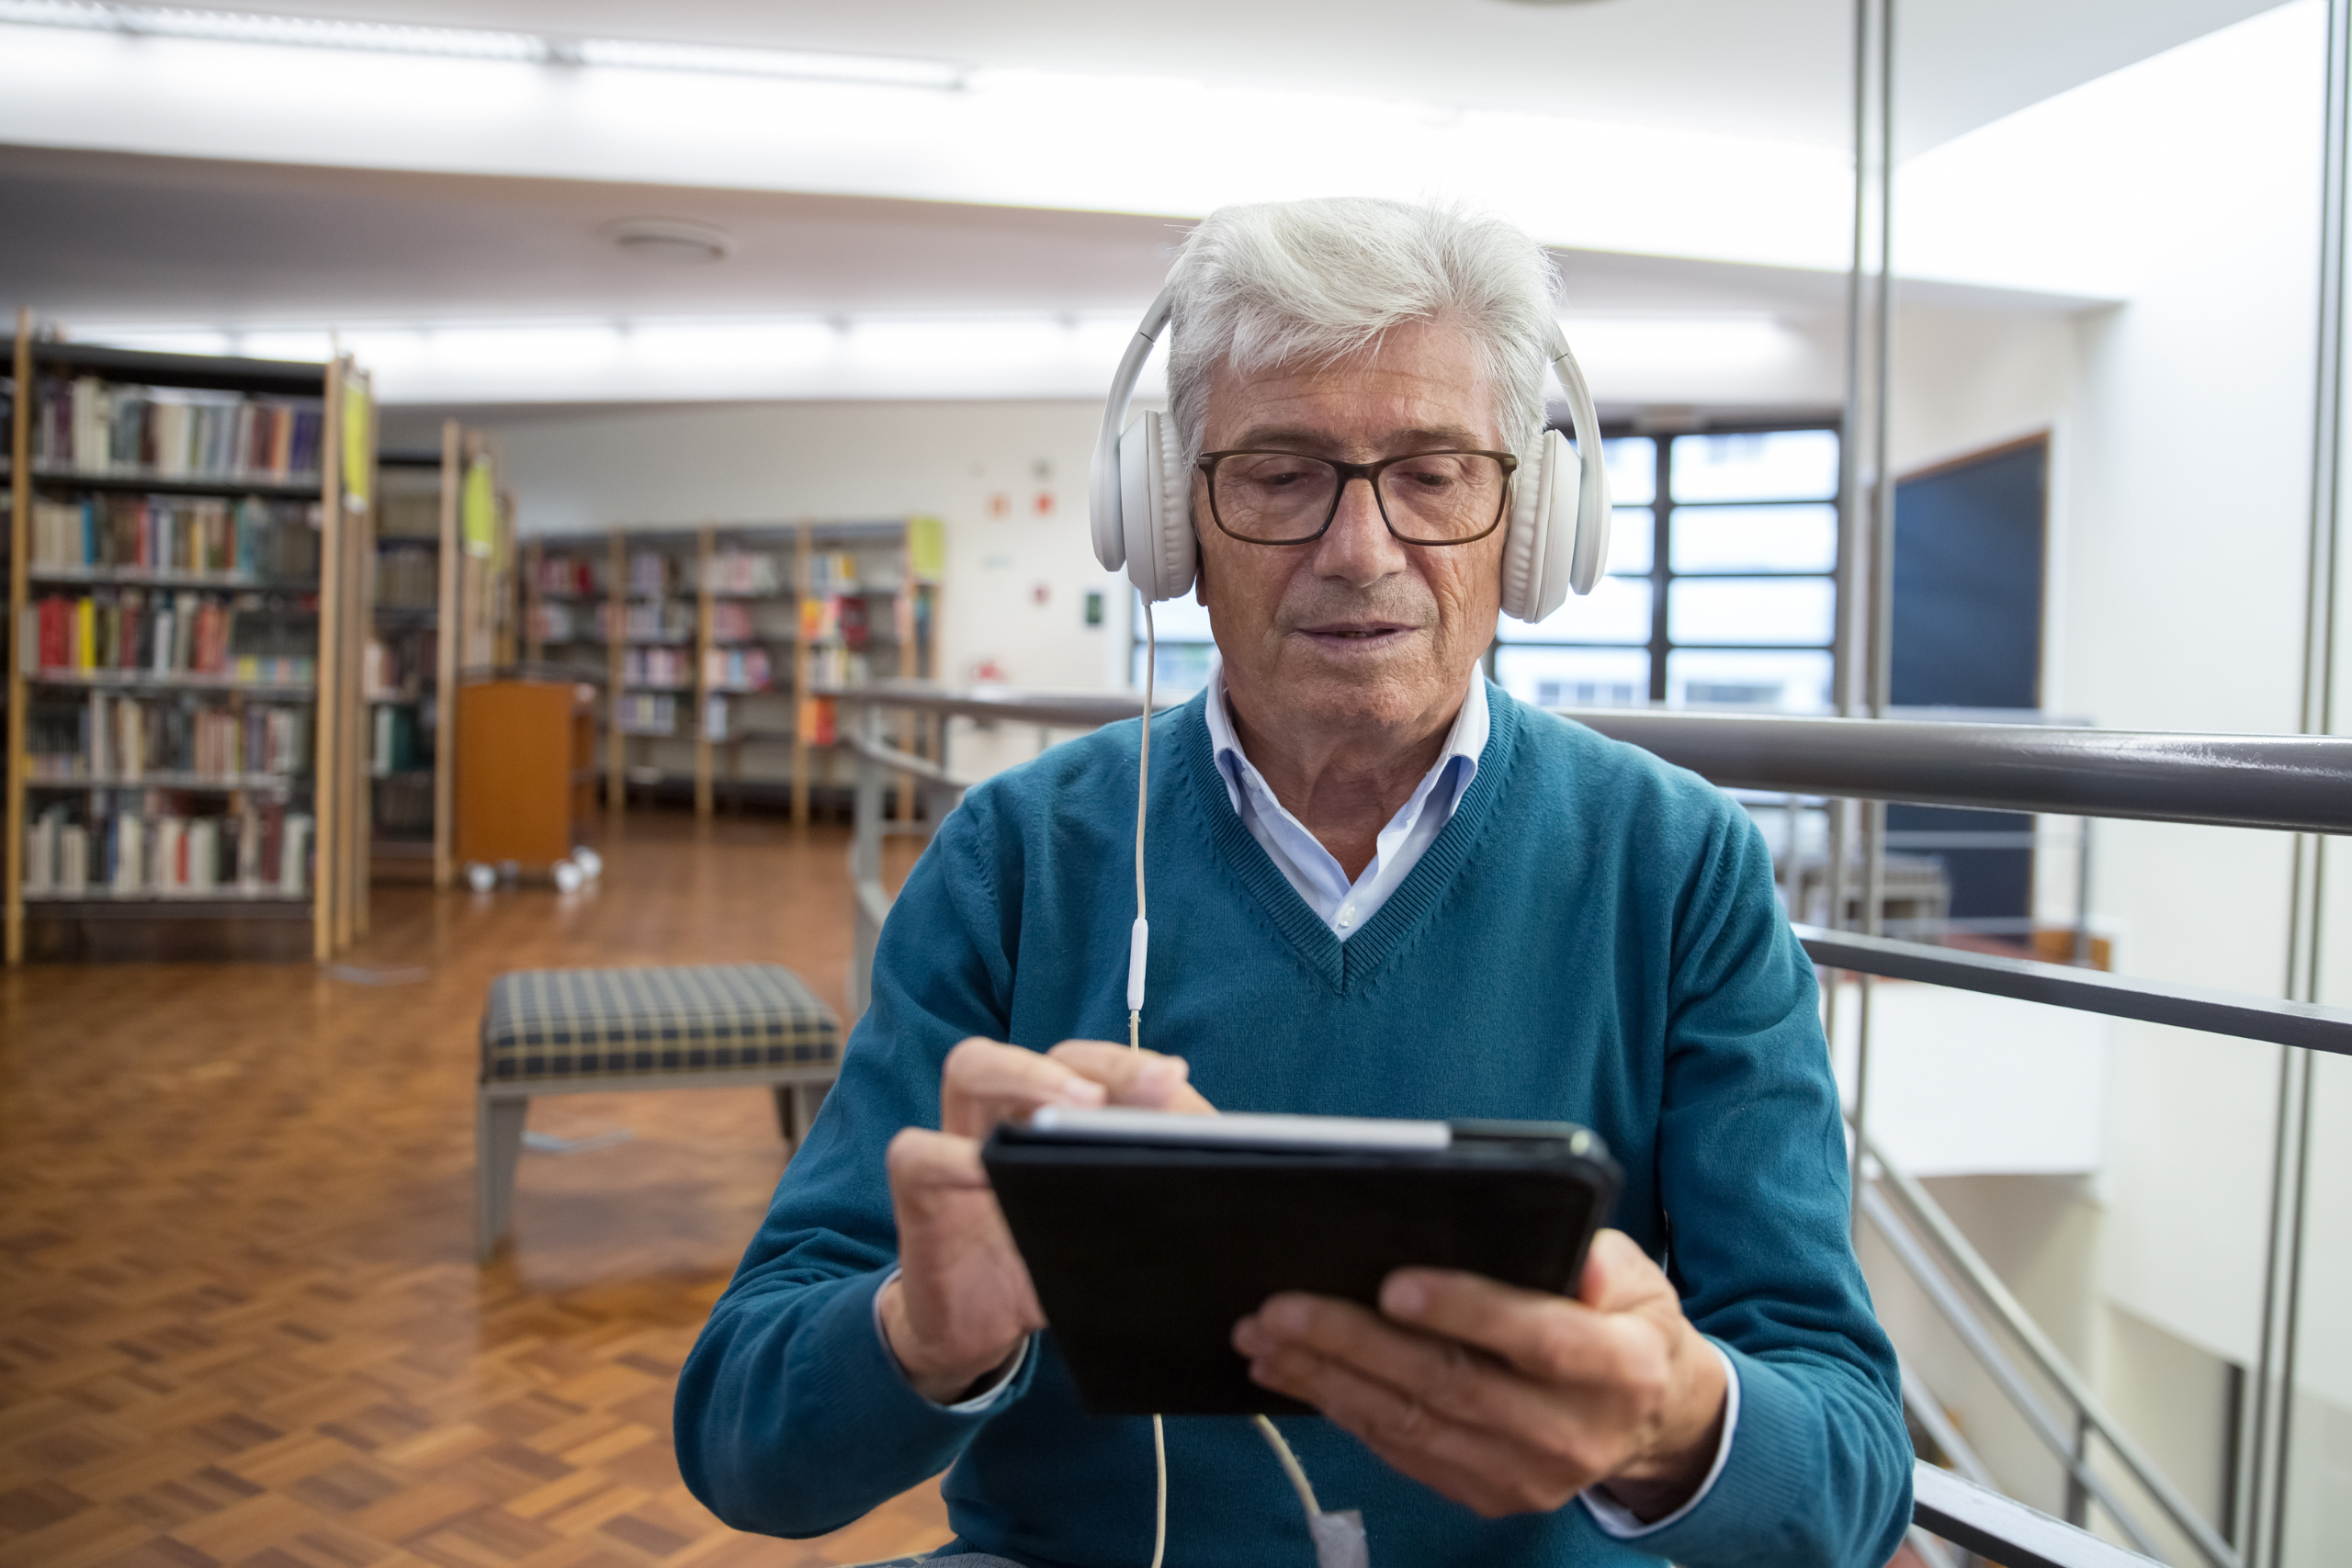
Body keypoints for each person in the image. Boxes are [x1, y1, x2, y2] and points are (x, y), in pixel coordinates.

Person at [675, 197, 1912, 1567]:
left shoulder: (1679, 868)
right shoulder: (1015, 857)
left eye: (1434, 473)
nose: (1361, 549)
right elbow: (742, 1440)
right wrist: (921, 1330)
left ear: (1533, 521)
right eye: (1280, 473)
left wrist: (1675, 1422)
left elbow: (1853, 1470)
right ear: (1168, 523)